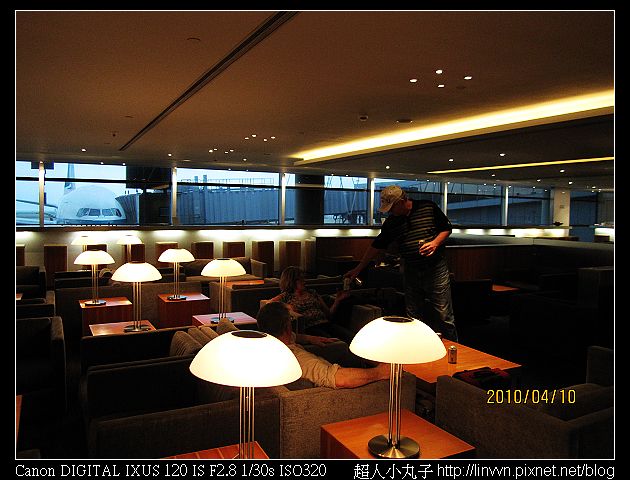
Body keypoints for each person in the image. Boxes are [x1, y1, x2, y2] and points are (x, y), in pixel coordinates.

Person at [345, 184, 458, 341]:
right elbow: (377, 245)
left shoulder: (428, 207)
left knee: (443, 315)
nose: (390, 211)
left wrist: (435, 243)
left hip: (435, 268)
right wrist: (358, 268)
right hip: (411, 269)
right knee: (413, 316)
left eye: (392, 207)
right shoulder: (392, 222)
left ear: (402, 200)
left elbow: (446, 228)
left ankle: (454, 349)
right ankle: (418, 348)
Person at [256, 301, 390, 389]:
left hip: (328, 364)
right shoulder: (298, 360)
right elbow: (340, 379)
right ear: (287, 326)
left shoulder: (269, 341)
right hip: (338, 388)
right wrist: (379, 372)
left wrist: (310, 338)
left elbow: (294, 336)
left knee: (344, 348)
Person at [268, 266, 353, 342]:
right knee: (334, 342)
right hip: (309, 328)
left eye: (304, 278)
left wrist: (337, 300)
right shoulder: (286, 296)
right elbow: (268, 304)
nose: (304, 281)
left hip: (326, 324)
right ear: (292, 281)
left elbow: (329, 314)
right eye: (301, 279)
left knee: (351, 337)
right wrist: (287, 306)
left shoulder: (312, 293)